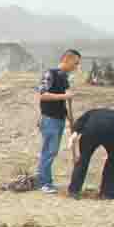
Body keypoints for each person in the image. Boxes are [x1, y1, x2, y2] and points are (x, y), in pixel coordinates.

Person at [68, 108, 114, 200]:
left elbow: (79, 123)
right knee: (113, 159)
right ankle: (107, 193)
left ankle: (74, 190)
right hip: (113, 131)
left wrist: (74, 135)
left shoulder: (91, 113)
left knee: (84, 158)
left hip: (92, 130)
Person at [36, 49, 81, 194]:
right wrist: (64, 96)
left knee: (52, 151)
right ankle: (43, 183)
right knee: (49, 151)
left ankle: (46, 181)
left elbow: (62, 101)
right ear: (67, 59)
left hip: (59, 119)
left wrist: (68, 117)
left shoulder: (64, 77)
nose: (76, 66)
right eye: (75, 63)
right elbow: (43, 95)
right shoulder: (50, 74)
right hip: (49, 119)